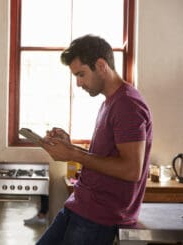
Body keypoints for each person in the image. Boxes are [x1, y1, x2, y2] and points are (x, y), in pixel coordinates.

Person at [36, 35, 153, 245]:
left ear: (101, 65)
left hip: (99, 217)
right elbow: (106, 157)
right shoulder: (111, 102)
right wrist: (70, 146)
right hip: (80, 206)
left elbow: (131, 169)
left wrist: (73, 154)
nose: (78, 83)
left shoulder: (128, 104)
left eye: (81, 74)